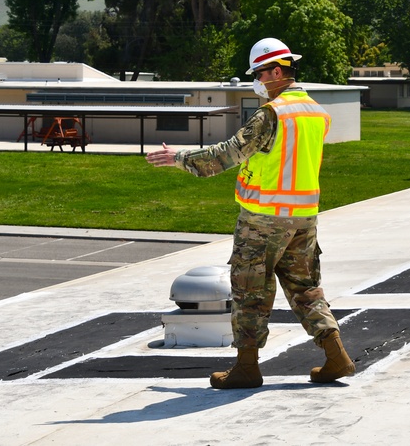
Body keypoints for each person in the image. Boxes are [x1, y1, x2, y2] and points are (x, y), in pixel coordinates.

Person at [146, 37, 355, 388]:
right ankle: (336, 357)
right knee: (306, 289)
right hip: (304, 218)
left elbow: (227, 154)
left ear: (276, 71)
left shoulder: (271, 114)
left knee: (249, 291)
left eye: (258, 73)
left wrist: (178, 158)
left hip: (263, 219)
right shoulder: (317, 112)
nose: (256, 81)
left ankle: (247, 367)